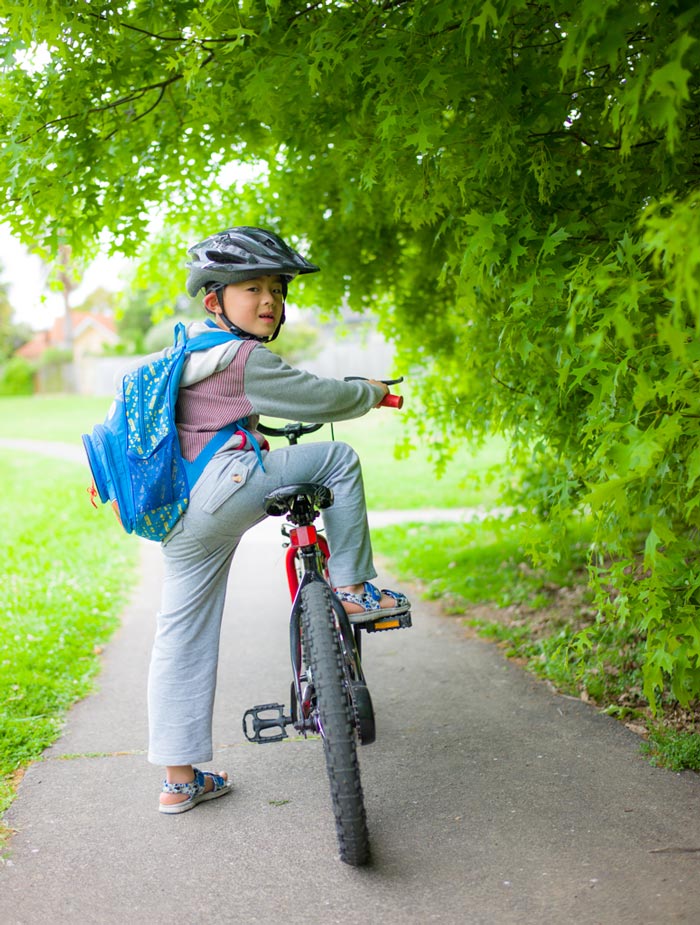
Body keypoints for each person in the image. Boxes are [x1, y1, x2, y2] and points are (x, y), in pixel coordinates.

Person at [152, 226, 410, 814]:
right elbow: (318, 398)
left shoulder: (181, 354)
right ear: (214, 299)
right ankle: (351, 588)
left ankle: (179, 780)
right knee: (339, 458)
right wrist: (368, 393)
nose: (268, 301)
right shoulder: (241, 355)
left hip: (179, 513)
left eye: (276, 288)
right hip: (226, 484)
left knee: (180, 639)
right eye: (252, 289)